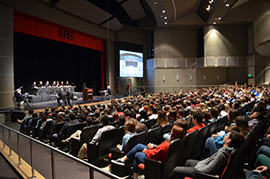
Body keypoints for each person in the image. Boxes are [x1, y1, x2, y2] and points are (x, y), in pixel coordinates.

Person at [111, 125, 186, 179]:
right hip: (160, 156)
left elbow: (153, 154)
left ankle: (134, 176)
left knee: (136, 155)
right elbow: (159, 150)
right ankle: (123, 159)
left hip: (155, 161)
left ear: (173, 134)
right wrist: (153, 146)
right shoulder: (179, 142)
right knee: (139, 146)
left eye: (172, 130)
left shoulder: (166, 145)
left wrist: (147, 151)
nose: (170, 131)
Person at [173, 130, 244, 179]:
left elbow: (209, 170)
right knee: (188, 161)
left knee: (176, 170)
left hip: (201, 172)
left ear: (229, 141)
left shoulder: (222, 154)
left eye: (226, 136)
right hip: (205, 165)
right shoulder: (226, 150)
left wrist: (195, 169)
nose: (224, 136)